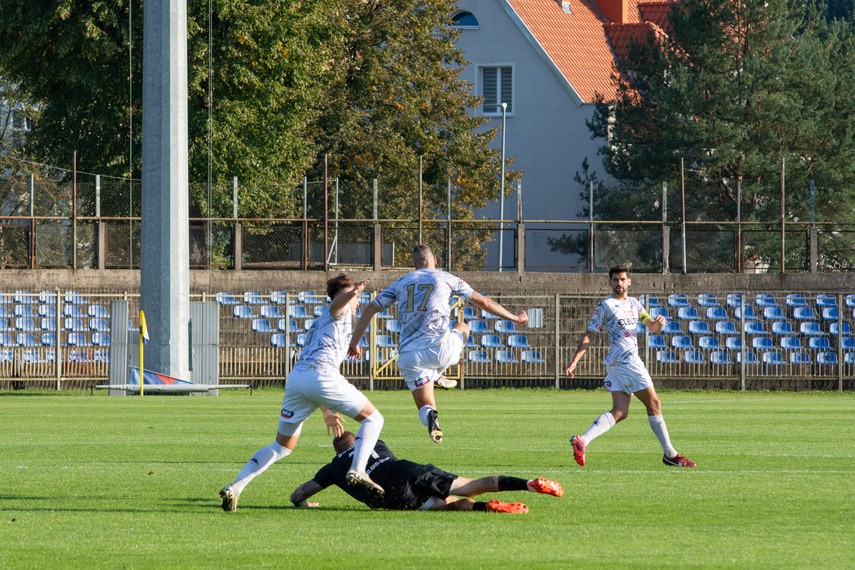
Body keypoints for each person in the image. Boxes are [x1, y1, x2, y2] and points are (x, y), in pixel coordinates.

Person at [219, 275, 387, 512]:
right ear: (345, 295)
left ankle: (234, 488)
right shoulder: (340, 308)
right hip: (321, 375)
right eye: (357, 297)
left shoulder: (320, 321)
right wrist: (352, 293)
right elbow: (337, 305)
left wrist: (326, 410)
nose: (358, 302)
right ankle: (358, 470)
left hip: (298, 379)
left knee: (281, 447)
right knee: (374, 418)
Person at [347, 244, 528, 443]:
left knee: (426, 408)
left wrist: (355, 342)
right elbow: (484, 303)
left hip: (410, 356)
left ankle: (433, 410)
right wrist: (515, 318)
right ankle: (438, 374)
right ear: (434, 261)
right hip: (442, 349)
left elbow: (369, 310)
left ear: (415, 264)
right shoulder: (447, 278)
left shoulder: (400, 283)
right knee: (463, 326)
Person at [564, 265, 697, 468]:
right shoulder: (606, 306)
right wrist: (574, 362)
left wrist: (659, 324)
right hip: (627, 362)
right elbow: (590, 334)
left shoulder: (635, 305)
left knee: (620, 411)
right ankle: (670, 454)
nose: (619, 283)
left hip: (617, 364)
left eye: (622, 279)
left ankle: (583, 440)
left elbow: (651, 326)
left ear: (629, 281)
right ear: (610, 282)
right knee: (654, 404)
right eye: (615, 279)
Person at [289, 431, 564, 513]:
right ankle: (527, 484)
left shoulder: (333, 467)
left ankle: (487, 508)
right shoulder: (373, 442)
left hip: (391, 495)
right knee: (469, 484)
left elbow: (298, 494)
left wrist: (305, 502)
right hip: (406, 470)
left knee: (448, 506)